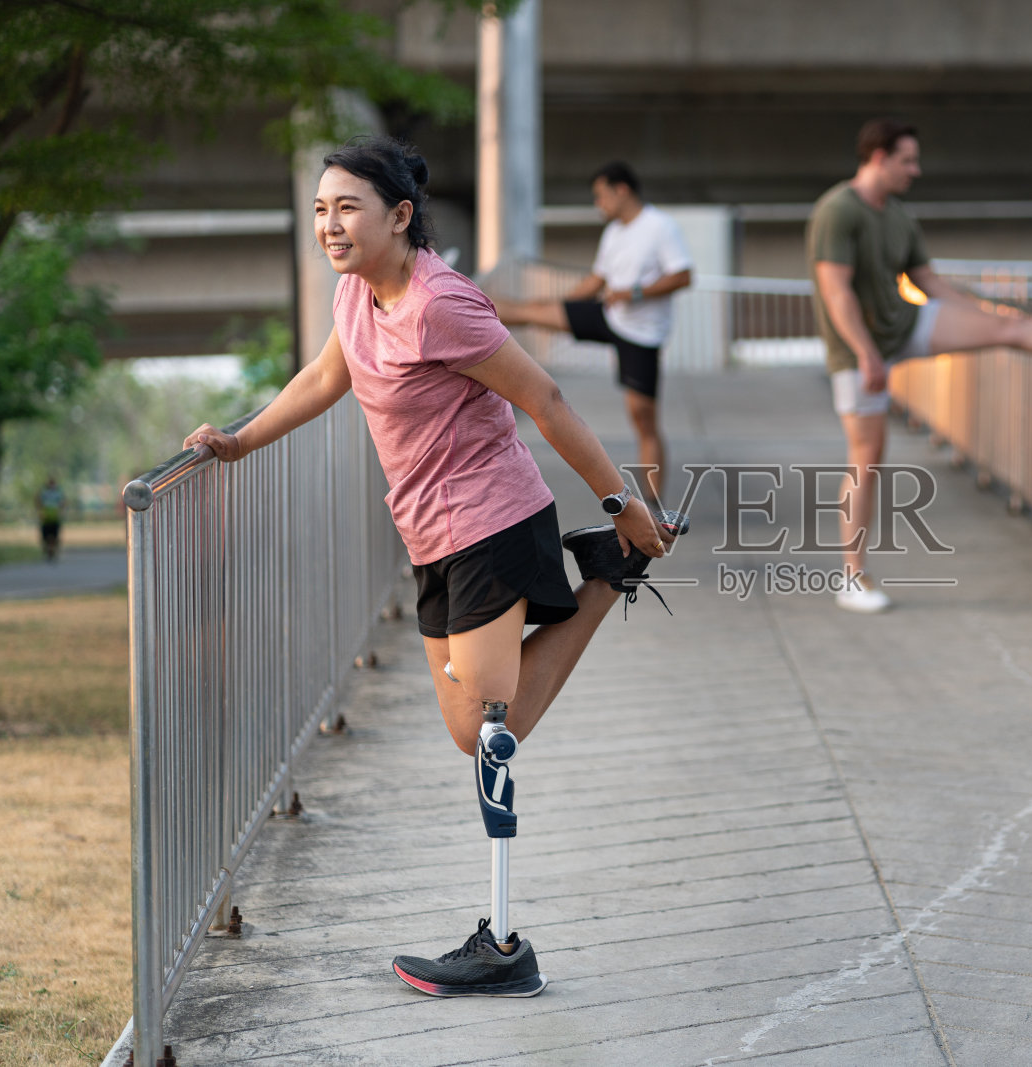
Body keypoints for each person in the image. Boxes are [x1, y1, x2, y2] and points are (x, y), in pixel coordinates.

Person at [184, 137, 688, 998]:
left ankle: (502, 946)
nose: (329, 225)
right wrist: (239, 441)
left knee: (491, 728)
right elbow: (322, 378)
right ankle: (606, 576)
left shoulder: (442, 304)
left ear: (400, 216)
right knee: (469, 727)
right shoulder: (354, 294)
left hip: (490, 517)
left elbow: (545, 399)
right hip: (428, 533)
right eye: (320, 209)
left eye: (347, 208)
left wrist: (622, 502)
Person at [807, 118, 1032, 613]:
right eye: (907, 160)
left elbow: (931, 284)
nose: (916, 169)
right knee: (866, 460)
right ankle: (852, 577)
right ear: (878, 157)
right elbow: (835, 292)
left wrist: (988, 316)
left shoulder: (898, 216)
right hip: (857, 348)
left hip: (904, 324)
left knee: (1011, 330)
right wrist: (867, 354)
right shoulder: (838, 211)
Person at [489, 161, 693, 506]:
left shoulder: (660, 226)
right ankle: (469, 301)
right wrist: (557, 305)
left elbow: (683, 276)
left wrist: (634, 293)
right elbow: (596, 282)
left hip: (640, 335)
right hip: (608, 314)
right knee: (531, 310)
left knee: (643, 419)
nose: (598, 204)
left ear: (621, 189)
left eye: (601, 196)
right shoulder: (614, 232)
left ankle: (655, 508)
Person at [37, 476, 64, 563]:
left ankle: (53, 551)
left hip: (55, 517)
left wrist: (61, 511)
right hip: (46, 518)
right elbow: (38, 501)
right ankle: (48, 550)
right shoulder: (44, 493)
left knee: (54, 536)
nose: (52, 485)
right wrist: (40, 511)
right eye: (50, 483)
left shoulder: (58, 493)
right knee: (45, 536)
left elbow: (62, 503)